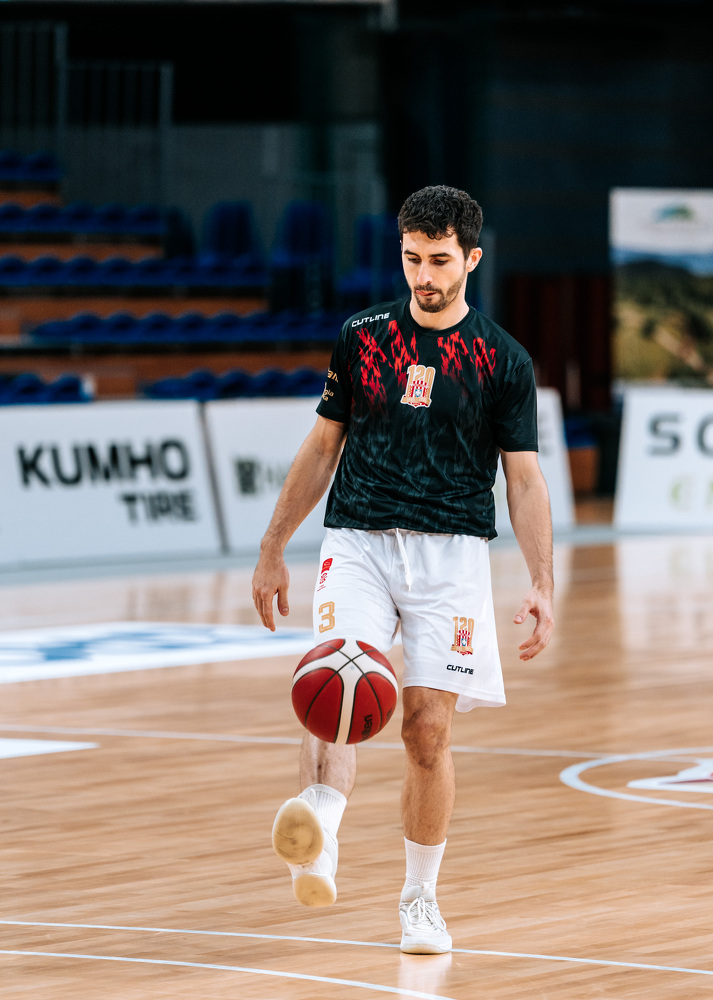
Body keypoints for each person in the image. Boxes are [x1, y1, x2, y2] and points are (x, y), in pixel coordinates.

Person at [252, 184, 554, 954]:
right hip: (357, 540)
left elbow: (523, 479)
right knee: (335, 688)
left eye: (439, 260)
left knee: (425, 731)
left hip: (451, 556)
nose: (423, 275)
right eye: (412, 258)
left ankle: (420, 899)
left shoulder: (502, 359)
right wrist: (272, 545)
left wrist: (543, 581)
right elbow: (323, 446)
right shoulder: (361, 337)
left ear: (471, 259)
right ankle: (320, 826)